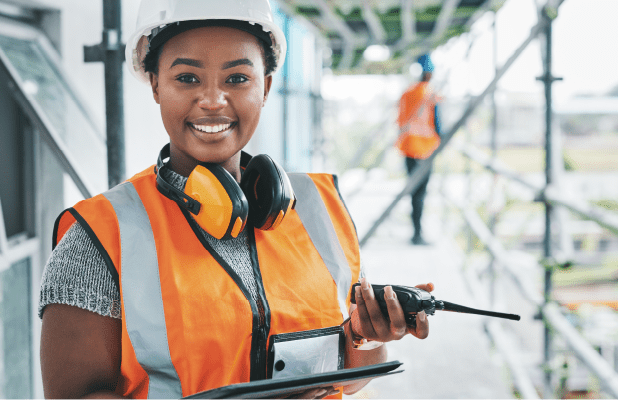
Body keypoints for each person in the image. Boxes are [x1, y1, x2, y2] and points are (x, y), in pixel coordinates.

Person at [39, 1, 433, 398]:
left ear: (266, 87)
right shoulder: (100, 239)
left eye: (238, 78)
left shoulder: (319, 210)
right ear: (156, 84)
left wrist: (366, 337)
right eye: (188, 78)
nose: (212, 100)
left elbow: (348, 374)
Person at [396, 53, 442, 246]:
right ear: (429, 73)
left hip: (408, 148)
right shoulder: (430, 94)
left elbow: (401, 119)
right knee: (420, 194)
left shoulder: (407, 93)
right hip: (424, 151)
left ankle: (416, 231)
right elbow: (438, 125)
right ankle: (417, 234)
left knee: (414, 193)